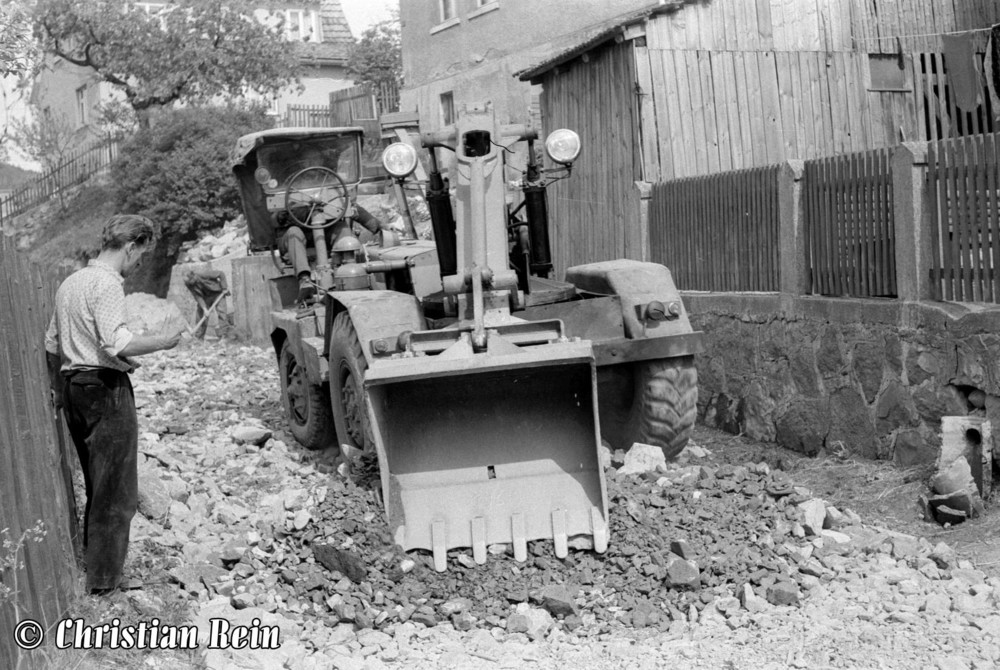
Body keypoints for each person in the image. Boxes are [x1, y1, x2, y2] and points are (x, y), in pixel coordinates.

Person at [44, 214, 184, 595]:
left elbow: (53, 344)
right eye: (140, 256)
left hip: (75, 385)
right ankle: (104, 586)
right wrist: (161, 341)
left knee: (96, 483)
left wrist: (60, 387)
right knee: (118, 493)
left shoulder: (70, 282)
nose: (138, 264)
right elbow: (116, 343)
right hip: (105, 389)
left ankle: (96, 567)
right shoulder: (107, 284)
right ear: (130, 246)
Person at [278, 204, 386, 303]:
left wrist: (380, 226)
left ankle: (346, 273)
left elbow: (352, 207)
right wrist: (310, 210)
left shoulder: (329, 189)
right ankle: (304, 279)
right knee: (294, 232)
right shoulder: (286, 189)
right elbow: (277, 217)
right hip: (295, 240)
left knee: (342, 227)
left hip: (325, 233)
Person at [182, 268, 234, 339]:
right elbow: (197, 296)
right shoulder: (188, 283)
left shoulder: (203, 274)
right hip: (205, 297)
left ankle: (224, 337)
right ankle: (198, 338)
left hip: (217, 293)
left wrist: (224, 287)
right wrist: (204, 309)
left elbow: (221, 274)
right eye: (188, 282)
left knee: (222, 313)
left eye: (190, 281)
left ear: (193, 276)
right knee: (200, 314)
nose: (190, 284)